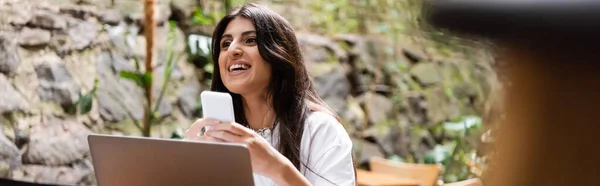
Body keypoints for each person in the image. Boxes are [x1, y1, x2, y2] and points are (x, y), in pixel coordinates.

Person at [183, 3, 356, 186]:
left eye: (250, 40)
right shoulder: (216, 137)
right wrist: (185, 167)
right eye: (225, 44)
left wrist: (277, 168)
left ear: (279, 54)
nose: (233, 50)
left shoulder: (321, 130)